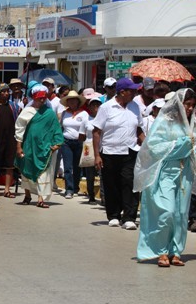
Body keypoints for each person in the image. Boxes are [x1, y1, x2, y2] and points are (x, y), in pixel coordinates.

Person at [134, 88, 196, 267]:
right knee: (166, 211)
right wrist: (181, 145)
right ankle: (160, 250)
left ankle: (175, 251)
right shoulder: (164, 122)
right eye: (187, 105)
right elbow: (153, 147)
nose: (190, 109)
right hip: (165, 172)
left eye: (193, 106)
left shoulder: (192, 124)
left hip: (185, 173)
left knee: (181, 213)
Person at [93, 78, 145, 230]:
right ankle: (114, 215)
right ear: (122, 92)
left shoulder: (135, 107)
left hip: (130, 151)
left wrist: (147, 144)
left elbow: (139, 129)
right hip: (109, 152)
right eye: (132, 90)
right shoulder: (106, 107)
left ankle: (129, 217)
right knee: (112, 184)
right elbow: (96, 132)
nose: (135, 93)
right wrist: (97, 155)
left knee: (130, 183)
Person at [15, 85, 64, 208]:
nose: (42, 100)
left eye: (44, 98)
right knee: (26, 170)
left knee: (43, 173)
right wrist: (18, 146)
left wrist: (57, 143)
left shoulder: (49, 113)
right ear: (34, 98)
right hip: (29, 145)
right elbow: (19, 130)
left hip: (44, 147)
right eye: (39, 98)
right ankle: (27, 195)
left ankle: (41, 198)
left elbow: (56, 129)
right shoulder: (27, 111)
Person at [59, 90, 88, 199]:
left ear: (77, 101)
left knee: (77, 167)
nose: (72, 102)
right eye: (70, 100)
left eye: (74, 100)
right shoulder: (64, 113)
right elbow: (61, 127)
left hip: (79, 142)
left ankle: (75, 186)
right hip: (66, 141)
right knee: (68, 166)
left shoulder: (84, 114)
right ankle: (69, 189)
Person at [0, 83, 20, 198]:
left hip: (10, 139)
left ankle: (7, 189)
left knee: (9, 166)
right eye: (3, 92)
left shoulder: (13, 107)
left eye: (7, 92)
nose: (6, 94)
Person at [78, 95, 102, 204]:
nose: (95, 107)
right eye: (93, 105)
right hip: (89, 145)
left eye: (98, 105)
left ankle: (104, 197)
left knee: (102, 173)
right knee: (90, 174)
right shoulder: (86, 119)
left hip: (101, 146)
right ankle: (91, 195)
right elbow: (81, 135)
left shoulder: (104, 119)